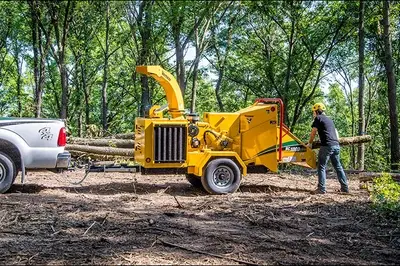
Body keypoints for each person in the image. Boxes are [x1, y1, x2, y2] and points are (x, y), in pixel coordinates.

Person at [307, 102, 349, 194]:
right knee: (338, 167)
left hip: (327, 146)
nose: (313, 113)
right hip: (336, 145)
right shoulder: (329, 120)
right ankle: (345, 188)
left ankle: (321, 189)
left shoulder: (318, 118)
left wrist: (310, 143)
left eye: (313, 111)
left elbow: (313, 131)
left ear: (317, 111)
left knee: (321, 166)